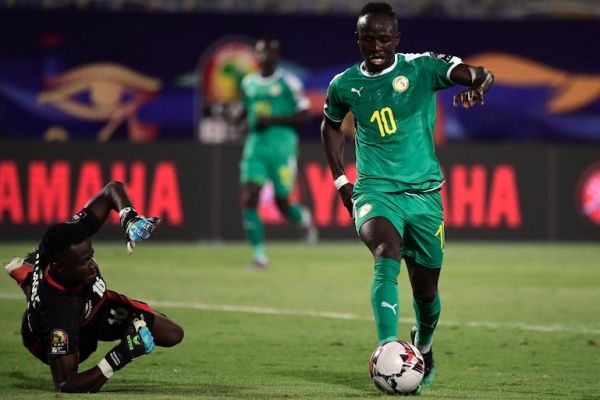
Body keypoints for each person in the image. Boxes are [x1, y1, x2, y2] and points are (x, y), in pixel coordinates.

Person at [320, 2, 494, 391]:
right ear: (359, 39)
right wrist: (341, 182)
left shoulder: (421, 68)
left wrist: (478, 84)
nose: (377, 46)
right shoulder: (344, 84)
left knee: (426, 291)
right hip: (375, 189)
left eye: (384, 38)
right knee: (385, 252)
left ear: (397, 39)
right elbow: (330, 126)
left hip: (425, 196)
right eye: (369, 38)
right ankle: (387, 349)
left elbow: (478, 74)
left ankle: (424, 345)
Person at [4, 181, 184, 393]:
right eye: (83, 261)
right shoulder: (59, 314)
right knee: (43, 296)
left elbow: (111, 190)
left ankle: (26, 272)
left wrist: (129, 217)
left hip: (94, 305)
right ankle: (27, 277)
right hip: (54, 336)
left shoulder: (69, 238)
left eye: (91, 255)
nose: (93, 265)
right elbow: (65, 385)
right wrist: (120, 355)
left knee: (172, 334)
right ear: (60, 267)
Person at [239, 36, 318, 268]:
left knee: (281, 202)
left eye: (270, 52)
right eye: (261, 52)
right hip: (255, 148)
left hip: (282, 149)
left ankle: (302, 218)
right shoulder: (248, 83)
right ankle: (259, 256)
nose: (265, 57)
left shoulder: (289, 83)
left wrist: (273, 119)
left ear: (277, 56)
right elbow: (246, 109)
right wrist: (238, 116)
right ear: (257, 55)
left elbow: (305, 115)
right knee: (249, 196)